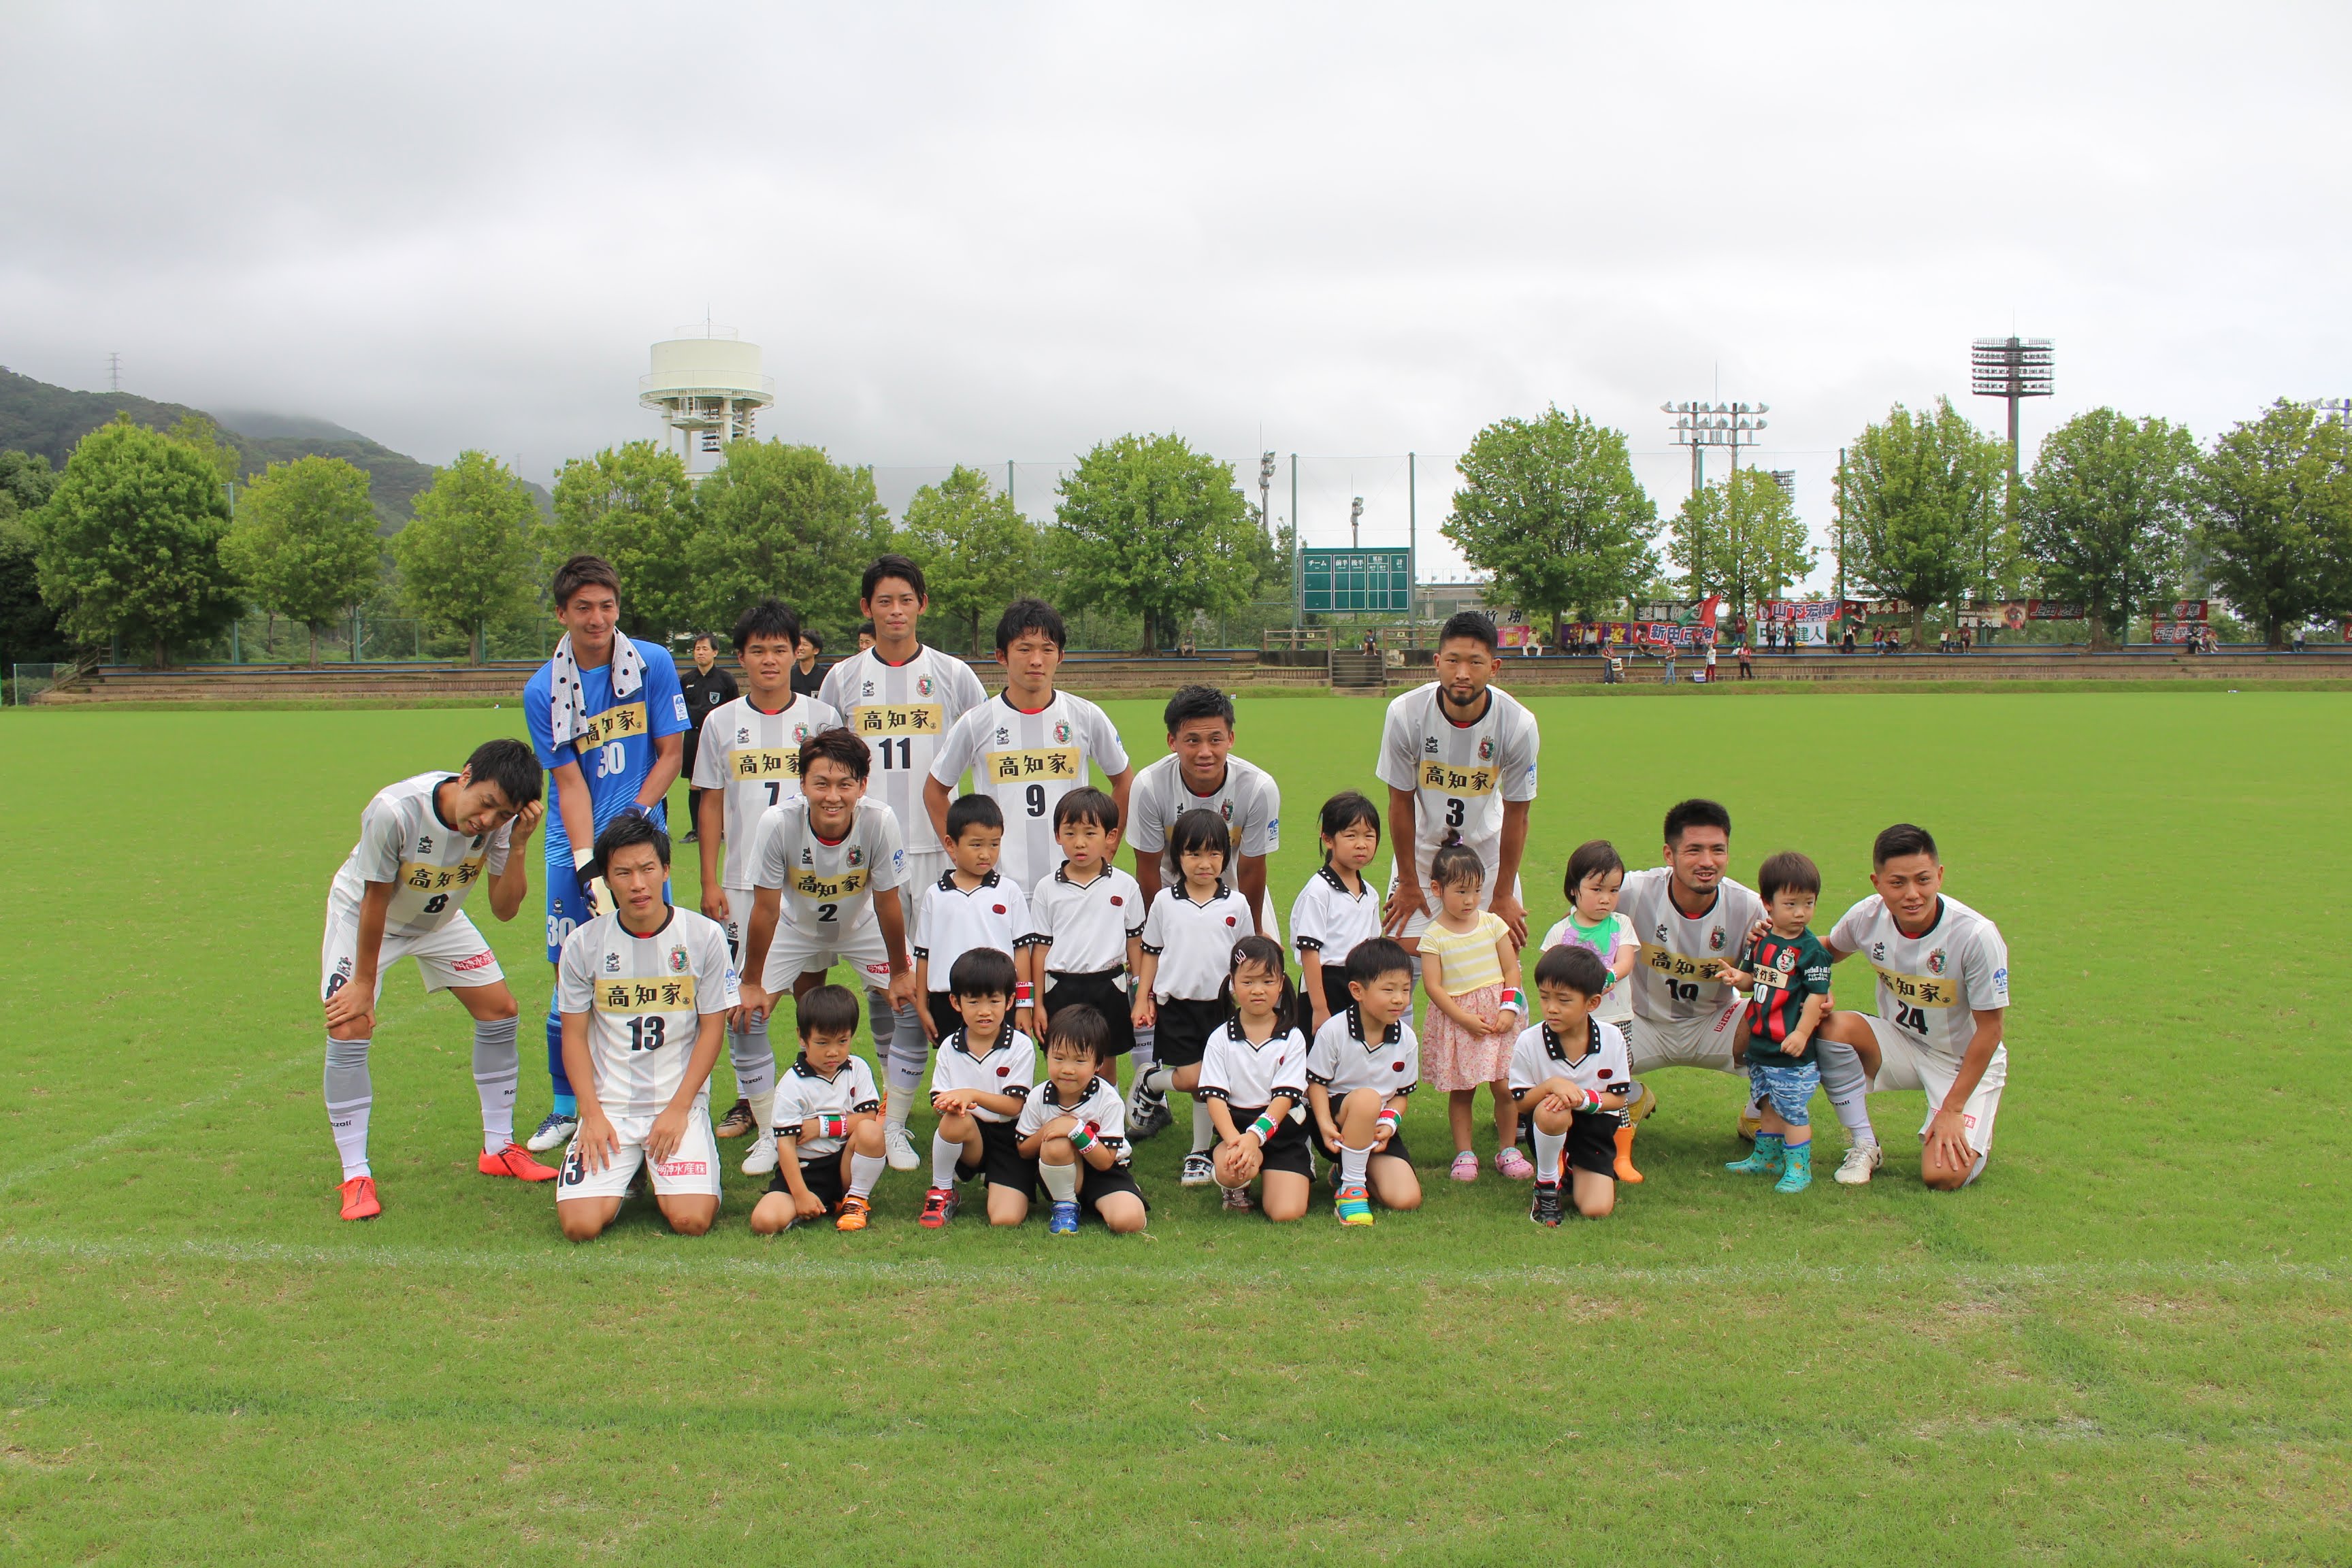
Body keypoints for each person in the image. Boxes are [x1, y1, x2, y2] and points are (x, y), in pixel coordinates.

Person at [320, 738, 553, 1221]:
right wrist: (362, 983)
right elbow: (375, 899)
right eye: (485, 803)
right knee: (349, 1025)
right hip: (366, 917)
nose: (486, 820)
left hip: (439, 919)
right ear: (465, 776)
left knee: (500, 1011)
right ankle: (355, 1174)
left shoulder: (500, 826)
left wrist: (518, 844)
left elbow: (505, 910)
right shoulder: (395, 811)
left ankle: (498, 1148)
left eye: (503, 814)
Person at [818, 553, 992, 1173]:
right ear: (867, 608)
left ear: (922, 605)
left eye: (906, 600)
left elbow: (980, 752)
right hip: (865, 855)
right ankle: (892, 1115)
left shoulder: (953, 675)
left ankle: (954, 1095)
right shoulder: (842, 679)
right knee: (885, 981)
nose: (896, 612)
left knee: (938, 978)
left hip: (936, 851)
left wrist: (969, 838)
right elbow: (827, 763)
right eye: (884, 601)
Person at [522, 555, 689, 1154]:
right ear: (562, 614)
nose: (598, 619)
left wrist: (635, 819)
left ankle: (657, 1096)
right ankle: (567, 1107)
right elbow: (568, 784)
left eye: (607, 606)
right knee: (569, 978)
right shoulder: (542, 689)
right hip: (574, 848)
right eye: (584, 608)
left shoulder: (653, 662)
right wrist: (588, 863)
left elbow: (671, 755)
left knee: (654, 972)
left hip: (639, 838)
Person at [1616, 799, 1878, 1180]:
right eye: (1694, 850)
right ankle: (1631, 1097)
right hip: (1641, 1020)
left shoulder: (1750, 907)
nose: (1707, 861)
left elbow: (1797, 959)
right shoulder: (1631, 890)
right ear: (1669, 855)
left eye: (1717, 850)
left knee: (1803, 1020)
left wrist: (1818, 993)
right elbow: (1579, 925)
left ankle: (1760, 1112)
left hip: (1718, 1022)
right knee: (1573, 1039)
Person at [691, 598, 840, 1169]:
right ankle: (752, 1104)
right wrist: (710, 879)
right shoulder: (720, 722)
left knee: (810, 993)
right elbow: (710, 803)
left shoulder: (821, 717)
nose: (770, 660)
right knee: (745, 1001)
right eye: (759, 651)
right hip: (743, 883)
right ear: (742, 657)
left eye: (780, 649)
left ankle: (814, 1093)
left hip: (809, 883)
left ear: (796, 652)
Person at [733, 730, 917, 1170]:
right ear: (803, 783)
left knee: (911, 1003)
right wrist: (751, 982)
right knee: (745, 1015)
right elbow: (765, 909)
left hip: (861, 923)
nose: (833, 796)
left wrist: (899, 973)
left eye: (844, 784)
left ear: (862, 786)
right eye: (821, 783)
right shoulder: (778, 823)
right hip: (795, 924)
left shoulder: (879, 820)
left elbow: (888, 902)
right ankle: (769, 1133)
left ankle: (892, 1125)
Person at [551, 815, 736, 1241]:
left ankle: (655, 1166)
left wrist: (679, 1109)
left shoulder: (704, 936)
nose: (638, 884)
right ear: (606, 880)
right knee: (580, 1226)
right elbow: (573, 1036)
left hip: (676, 1104)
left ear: (666, 870)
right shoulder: (583, 944)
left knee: (692, 1221)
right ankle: (632, 1167)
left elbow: (712, 1030)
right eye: (623, 873)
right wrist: (591, 1115)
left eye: (647, 869)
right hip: (610, 1108)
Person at [1810, 823, 2010, 1191]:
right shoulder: (1867, 917)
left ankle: (1972, 1127)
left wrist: (1952, 1109)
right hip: (1901, 1042)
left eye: (1923, 880)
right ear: (1877, 883)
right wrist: (1775, 944)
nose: (1912, 894)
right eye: (1898, 883)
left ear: (1940, 875)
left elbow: (1991, 1029)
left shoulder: (1976, 935)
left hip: (1962, 1061)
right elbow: (1826, 952)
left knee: (1942, 1176)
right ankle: (1864, 1144)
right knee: (1829, 1028)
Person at [1124, 684, 1281, 1137]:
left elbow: (1252, 869)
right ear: (1172, 741)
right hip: (1170, 897)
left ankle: (1256, 1095)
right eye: (1192, 740)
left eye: (1215, 739)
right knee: (1159, 989)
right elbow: (1147, 870)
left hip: (1237, 899)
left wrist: (1251, 937)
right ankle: (1153, 1085)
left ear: (1231, 737)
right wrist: (1163, 932)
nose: (1205, 751)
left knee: (1259, 991)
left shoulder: (1258, 787)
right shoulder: (1149, 785)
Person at [926, 597, 1132, 894]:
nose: (1037, 660)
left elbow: (1124, 780)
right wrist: (962, 855)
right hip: (1000, 888)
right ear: (1002, 655)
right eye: (1024, 649)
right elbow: (935, 791)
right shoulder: (976, 722)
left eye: (1047, 650)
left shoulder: (1086, 716)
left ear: (1060, 656)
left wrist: (1108, 848)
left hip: (1074, 885)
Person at [1375, 610, 1540, 951]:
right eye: (1453, 661)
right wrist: (1408, 881)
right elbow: (1400, 802)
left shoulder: (1518, 724)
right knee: (1399, 957)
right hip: (1422, 856)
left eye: (1475, 662)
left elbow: (1518, 814)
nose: (1462, 673)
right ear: (1437, 662)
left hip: (1486, 858)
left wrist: (1503, 893)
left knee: (1500, 957)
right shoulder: (1405, 714)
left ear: (1494, 668)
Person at [1132, 810, 1256, 1182]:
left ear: (1226, 857)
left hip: (1221, 1008)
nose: (1205, 864)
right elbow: (1151, 952)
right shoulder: (1164, 902)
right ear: (1177, 857)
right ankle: (1152, 1082)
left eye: (1214, 854)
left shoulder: (1236, 904)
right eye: (1194, 854)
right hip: (1177, 1006)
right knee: (1192, 1078)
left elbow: (1246, 958)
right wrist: (1142, 997)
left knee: (1211, 1083)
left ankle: (1199, 1153)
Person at [1415, 836, 1531, 1184]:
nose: (1470, 900)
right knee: (1463, 1090)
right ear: (1438, 889)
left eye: (1476, 891)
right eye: (1461, 891)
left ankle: (1508, 1149)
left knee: (1505, 1086)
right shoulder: (1433, 937)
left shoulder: (1493, 924)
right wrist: (1463, 1018)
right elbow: (1434, 986)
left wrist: (1509, 1009)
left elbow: (1511, 970)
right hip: (1460, 1020)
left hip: (1498, 1018)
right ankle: (1464, 1153)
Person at [1718, 852, 1835, 1194]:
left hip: (1790, 1049)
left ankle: (1799, 1168)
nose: (1801, 913)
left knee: (1793, 1110)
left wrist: (1801, 1033)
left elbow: (1816, 997)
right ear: (1767, 903)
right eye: (1791, 904)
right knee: (1767, 1102)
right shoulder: (1762, 940)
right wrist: (1736, 977)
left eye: (1808, 903)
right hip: (1761, 1042)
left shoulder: (1812, 951)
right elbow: (1752, 979)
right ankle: (1766, 1158)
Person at [1539, 840, 1645, 1181]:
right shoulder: (1561, 931)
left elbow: (1626, 960)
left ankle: (1621, 1155)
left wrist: (1608, 975)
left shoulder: (1621, 924)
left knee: (1617, 1085)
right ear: (1574, 889)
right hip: (1572, 1025)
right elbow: (1549, 972)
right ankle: (1561, 1152)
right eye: (1597, 889)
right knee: (1568, 1083)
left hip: (1616, 1020)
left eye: (1613, 890)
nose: (1606, 899)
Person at [747, 984, 888, 1234]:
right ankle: (822, 1204)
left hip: (845, 1164)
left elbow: (868, 1118)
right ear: (802, 1038)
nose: (833, 1052)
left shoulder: (858, 1068)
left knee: (871, 1131)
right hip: (805, 1170)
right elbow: (785, 1145)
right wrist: (800, 1194)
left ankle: (855, 1200)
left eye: (843, 1041)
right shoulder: (791, 1085)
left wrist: (820, 1127)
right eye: (822, 1042)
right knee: (764, 1222)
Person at [1305, 937, 1424, 1226]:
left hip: (1375, 1127)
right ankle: (1351, 1190)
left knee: (1406, 1199)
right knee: (1367, 1098)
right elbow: (1316, 1083)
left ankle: (1346, 1171)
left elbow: (1401, 1095)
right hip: (1335, 1125)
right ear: (1357, 991)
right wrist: (1324, 1123)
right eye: (1389, 990)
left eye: (1405, 989)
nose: (1399, 999)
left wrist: (1390, 1123)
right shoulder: (1334, 1031)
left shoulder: (1407, 1038)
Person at [1510, 944, 1632, 1224]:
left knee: (1596, 1209)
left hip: (1595, 1128)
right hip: (1548, 1122)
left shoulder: (1612, 1038)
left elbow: (1618, 1098)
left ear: (1592, 1003)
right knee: (1552, 1109)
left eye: (1564, 1000)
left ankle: (1573, 1168)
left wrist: (1583, 1098)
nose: (1551, 1008)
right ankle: (1546, 1185)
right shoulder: (1529, 1041)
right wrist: (1552, 1086)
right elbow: (1522, 1103)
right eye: (1544, 997)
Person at [919, 947, 1036, 1228]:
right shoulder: (949, 1047)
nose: (984, 1011)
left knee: (1005, 1219)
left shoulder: (1020, 1046)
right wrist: (950, 1104)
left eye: (994, 1001)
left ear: (1010, 1001)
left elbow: (1014, 1106)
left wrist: (971, 1095)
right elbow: (939, 1102)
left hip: (1011, 1139)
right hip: (971, 1137)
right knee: (953, 1120)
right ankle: (942, 1190)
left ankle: (998, 1179)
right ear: (956, 1002)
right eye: (973, 1002)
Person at [1197, 936, 1313, 1221]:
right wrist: (1236, 1142)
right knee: (1231, 1169)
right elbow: (1215, 1100)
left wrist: (1255, 1137)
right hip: (1236, 1131)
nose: (1258, 990)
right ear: (1233, 984)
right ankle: (1236, 1186)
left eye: (1268, 981)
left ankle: (1282, 1168)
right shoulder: (1219, 1039)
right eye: (1248, 981)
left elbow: (1284, 1099)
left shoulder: (1293, 1038)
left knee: (1286, 1213)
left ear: (1281, 983)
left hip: (1282, 1133)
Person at [1029, 787, 1145, 1064]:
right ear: (1058, 835)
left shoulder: (1126, 885)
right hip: (1060, 987)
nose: (1079, 843)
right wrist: (1037, 1004)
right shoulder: (1046, 888)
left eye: (1090, 833)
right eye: (1070, 833)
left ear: (1110, 836)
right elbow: (1040, 949)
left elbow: (1135, 944)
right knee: (1063, 1059)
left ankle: (1110, 1096)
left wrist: (1141, 995)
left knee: (1104, 1062)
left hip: (1110, 985)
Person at [912, 794, 1039, 1045]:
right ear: (951, 845)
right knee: (954, 1062)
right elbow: (924, 954)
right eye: (976, 845)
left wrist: (1024, 1005)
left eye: (994, 844)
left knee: (1001, 1061)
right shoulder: (935, 895)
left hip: (998, 999)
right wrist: (922, 1006)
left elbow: (1021, 952)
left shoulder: (1009, 891)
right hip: (948, 1001)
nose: (986, 854)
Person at [1017, 1004, 1147, 1234]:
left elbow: (1105, 1162)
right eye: (1059, 1058)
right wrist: (1052, 1128)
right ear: (1046, 1055)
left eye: (1079, 1061)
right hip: (1059, 1171)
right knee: (1056, 1144)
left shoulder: (1108, 1100)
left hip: (1105, 1171)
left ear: (1098, 1064)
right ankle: (1065, 1205)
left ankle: (1114, 1197)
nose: (1067, 1069)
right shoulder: (1038, 1096)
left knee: (1128, 1222)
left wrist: (1075, 1129)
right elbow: (1024, 1150)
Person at [1290, 791, 1384, 1033]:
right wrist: (1320, 1008)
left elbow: (1373, 950)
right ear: (1328, 839)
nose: (1361, 844)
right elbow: (1309, 951)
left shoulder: (1371, 895)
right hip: (1324, 987)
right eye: (1351, 835)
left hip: (1359, 986)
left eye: (1369, 836)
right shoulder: (1319, 891)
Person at [676, 632, 737, 843]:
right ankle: (696, 830)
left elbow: (734, 708)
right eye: (697, 649)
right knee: (694, 784)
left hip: (719, 738)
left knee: (720, 784)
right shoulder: (687, 680)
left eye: (705, 648)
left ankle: (722, 829)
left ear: (715, 652)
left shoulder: (725, 680)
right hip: (693, 736)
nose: (700, 653)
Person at [790, 630, 825, 697]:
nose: (800, 648)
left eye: (805, 645)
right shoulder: (789, 673)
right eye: (798, 644)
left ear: (816, 651)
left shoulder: (825, 675)